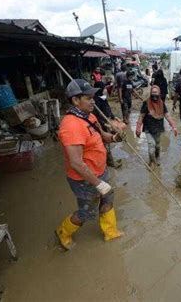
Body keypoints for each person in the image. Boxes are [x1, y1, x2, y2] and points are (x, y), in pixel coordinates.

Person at [56, 78, 126, 250]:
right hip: (85, 180)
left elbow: (102, 137)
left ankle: (110, 231)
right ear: (75, 100)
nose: (93, 101)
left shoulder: (90, 116)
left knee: (108, 197)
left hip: (100, 171)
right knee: (87, 212)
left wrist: (116, 137)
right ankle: (63, 232)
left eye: (93, 97)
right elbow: (76, 163)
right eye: (88, 98)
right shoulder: (71, 126)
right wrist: (98, 183)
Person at [136, 85, 177, 168]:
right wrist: (138, 128)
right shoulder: (146, 103)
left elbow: (167, 116)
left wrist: (174, 126)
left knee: (157, 145)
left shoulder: (162, 104)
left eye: (156, 92)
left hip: (158, 128)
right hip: (148, 128)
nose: (154, 94)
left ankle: (157, 157)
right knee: (151, 145)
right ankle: (151, 161)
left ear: (159, 93)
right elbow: (141, 116)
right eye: (153, 92)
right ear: (150, 93)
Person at [93, 81, 126, 168]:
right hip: (101, 125)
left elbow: (108, 109)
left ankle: (108, 161)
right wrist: (105, 124)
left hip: (107, 121)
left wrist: (114, 117)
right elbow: (97, 116)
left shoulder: (103, 98)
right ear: (100, 90)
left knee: (107, 143)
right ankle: (109, 163)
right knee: (105, 144)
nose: (106, 90)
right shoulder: (95, 102)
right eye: (104, 89)